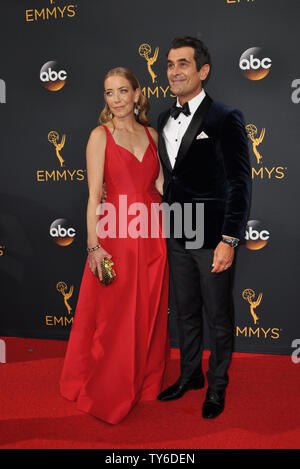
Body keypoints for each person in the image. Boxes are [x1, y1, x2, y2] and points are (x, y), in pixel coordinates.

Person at [60, 67, 169, 424]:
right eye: (110, 92)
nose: (117, 99)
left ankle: (145, 380)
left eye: (124, 91)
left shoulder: (153, 134)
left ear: (137, 94)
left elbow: (162, 186)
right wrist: (94, 247)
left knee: (148, 309)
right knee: (113, 315)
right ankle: (108, 388)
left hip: (153, 232)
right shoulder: (99, 136)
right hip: (116, 235)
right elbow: (93, 196)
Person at [156, 36, 251, 419]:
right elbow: (169, 178)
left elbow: (240, 183)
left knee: (218, 315)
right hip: (177, 232)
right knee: (186, 312)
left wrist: (230, 238)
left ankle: (217, 385)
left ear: (202, 71)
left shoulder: (225, 117)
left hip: (213, 236)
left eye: (182, 63)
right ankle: (190, 375)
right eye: (169, 64)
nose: (174, 71)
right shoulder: (163, 118)